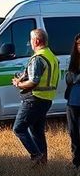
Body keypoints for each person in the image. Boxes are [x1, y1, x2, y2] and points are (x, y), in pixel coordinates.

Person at [12, 28, 60, 166]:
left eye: (31, 40)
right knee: (37, 131)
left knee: (19, 128)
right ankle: (43, 162)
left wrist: (19, 84)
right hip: (47, 99)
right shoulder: (51, 55)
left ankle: (36, 155)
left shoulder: (38, 58)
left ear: (37, 41)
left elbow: (34, 81)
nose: (29, 43)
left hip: (34, 98)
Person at [65, 33, 80, 168]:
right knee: (73, 133)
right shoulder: (73, 60)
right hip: (73, 102)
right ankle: (76, 162)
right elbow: (69, 80)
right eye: (78, 44)